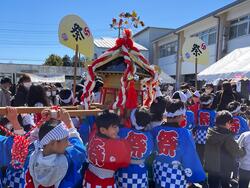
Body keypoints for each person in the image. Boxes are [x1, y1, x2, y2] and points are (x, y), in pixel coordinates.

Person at [151, 99, 206, 187]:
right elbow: (189, 156)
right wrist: (192, 176)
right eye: (183, 115)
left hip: (158, 170)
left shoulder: (155, 130)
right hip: (176, 173)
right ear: (178, 116)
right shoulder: (185, 133)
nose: (184, 117)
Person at [83, 110, 131, 187]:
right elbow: (125, 162)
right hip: (105, 182)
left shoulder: (93, 134)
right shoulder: (117, 144)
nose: (117, 130)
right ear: (102, 130)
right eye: (114, 127)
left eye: (117, 126)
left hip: (89, 178)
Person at [204, 110, 246, 188]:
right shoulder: (227, 137)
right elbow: (236, 151)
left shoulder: (210, 133)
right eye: (231, 123)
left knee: (212, 185)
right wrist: (243, 150)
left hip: (211, 166)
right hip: (224, 168)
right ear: (227, 123)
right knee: (225, 184)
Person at [116, 107, 153, 188]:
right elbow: (150, 152)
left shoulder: (122, 131)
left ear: (132, 119)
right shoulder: (149, 136)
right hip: (141, 171)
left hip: (124, 170)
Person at [194, 93, 216, 165]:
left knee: (199, 153)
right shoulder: (213, 112)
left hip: (199, 134)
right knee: (208, 154)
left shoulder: (198, 111)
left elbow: (195, 122)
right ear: (210, 103)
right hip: (209, 134)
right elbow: (213, 124)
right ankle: (207, 168)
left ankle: (199, 167)